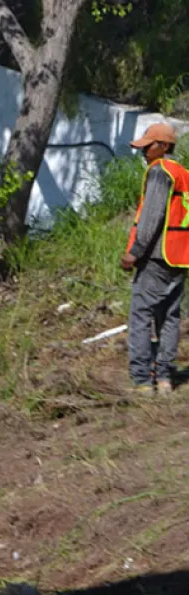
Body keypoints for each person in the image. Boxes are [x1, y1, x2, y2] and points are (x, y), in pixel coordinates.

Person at [120, 123, 189, 394]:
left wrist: (134, 253)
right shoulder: (183, 174)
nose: (144, 152)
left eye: (147, 146)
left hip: (157, 256)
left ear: (163, 146)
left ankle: (141, 380)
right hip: (180, 258)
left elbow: (151, 217)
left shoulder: (160, 172)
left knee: (141, 315)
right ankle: (163, 378)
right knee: (170, 317)